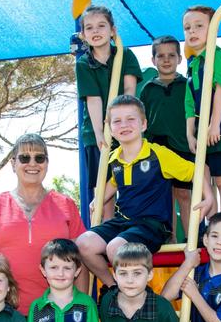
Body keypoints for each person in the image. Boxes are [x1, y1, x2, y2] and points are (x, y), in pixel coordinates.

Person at [78, 95, 213, 289]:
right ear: (110, 128)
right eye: (117, 121)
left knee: (115, 247)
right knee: (84, 243)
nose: (124, 125)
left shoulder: (158, 154)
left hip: (152, 224)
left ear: (143, 124)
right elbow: (116, 181)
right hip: (124, 221)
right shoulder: (115, 159)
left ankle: (136, 292)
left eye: (131, 119)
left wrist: (208, 197)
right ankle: (113, 287)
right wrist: (98, 200)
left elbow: (196, 171)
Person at [0, 134, 85, 313]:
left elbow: (81, 263)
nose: (32, 163)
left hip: (57, 312)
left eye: (39, 158)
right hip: (6, 313)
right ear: (13, 163)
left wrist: (79, 310)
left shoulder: (66, 204)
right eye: (24, 158)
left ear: (47, 163)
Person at [74, 5, 143, 202]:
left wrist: (124, 123)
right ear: (83, 34)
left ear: (112, 30)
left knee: (129, 182)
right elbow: (93, 100)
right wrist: (99, 132)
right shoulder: (84, 64)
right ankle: (104, 227)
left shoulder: (125, 55)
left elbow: (130, 92)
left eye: (101, 26)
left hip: (125, 126)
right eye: (89, 27)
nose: (95, 31)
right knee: (103, 188)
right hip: (97, 131)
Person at [183, 4, 221, 214]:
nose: (192, 31)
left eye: (198, 26)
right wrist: (190, 134)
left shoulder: (218, 55)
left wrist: (214, 125)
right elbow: (189, 104)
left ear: (213, 28)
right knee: (203, 179)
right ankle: (210, 223)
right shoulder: (193, 64)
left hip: (217, 128)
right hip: (200, 131)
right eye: (187, 28)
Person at [140, 35, 192, 237]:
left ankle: (190, 239)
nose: (166, 60)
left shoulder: (187, 86)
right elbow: (142, 120)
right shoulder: (148, 89)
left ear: (179, 58)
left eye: (171, 55)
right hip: (158, 148)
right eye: (161, 56)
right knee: (165, 196)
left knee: (185, 194)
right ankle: (169, 240)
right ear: (153, 61)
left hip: (183, 146)